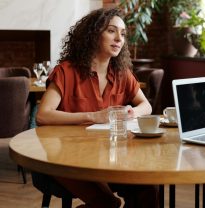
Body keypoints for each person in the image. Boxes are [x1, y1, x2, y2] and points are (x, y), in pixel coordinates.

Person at [36, 8, 158, 208]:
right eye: (111, 31)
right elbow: (43, 115)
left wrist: (131, 112)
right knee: (107, 203)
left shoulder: (121, 73)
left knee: (149, 188)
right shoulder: (66, 71)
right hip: (67, 158)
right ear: (93, 35)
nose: (119, 38)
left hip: (111, 155)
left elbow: (146, 105)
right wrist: (94, 116)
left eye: (123, 33)